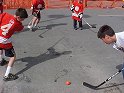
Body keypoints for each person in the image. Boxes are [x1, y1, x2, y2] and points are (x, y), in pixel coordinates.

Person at [0, 8, 28, 81]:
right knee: (13, 57)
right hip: (4, 41)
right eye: (22, 19)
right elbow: (20, 28)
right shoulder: (17, 24)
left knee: (0, 48)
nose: (23, 20)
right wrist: (21, 24)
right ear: (18, 17)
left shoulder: (5, 14)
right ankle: (6, 75)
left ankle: (1, 60)